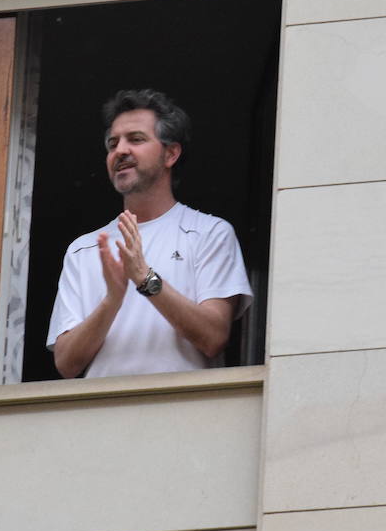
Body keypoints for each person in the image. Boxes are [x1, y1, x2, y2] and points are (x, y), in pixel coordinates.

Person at [47, 89, 253, 379]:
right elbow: (66, 363)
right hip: (101, 417)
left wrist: (145, 278)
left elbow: (214, 337)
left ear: (171, 154)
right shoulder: (84, 249)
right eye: (112, 143)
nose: (120, 151)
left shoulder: (210, 233)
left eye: (136, 139)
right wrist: (112, 302)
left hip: (183, 413)